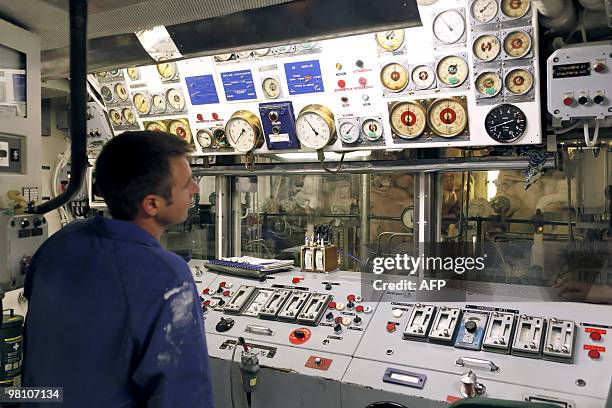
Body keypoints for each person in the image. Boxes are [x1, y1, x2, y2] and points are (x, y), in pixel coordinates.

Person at [23, 131, 214, 407]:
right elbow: (182, 395)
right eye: (187, 184)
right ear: (152, 204)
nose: (195, 189)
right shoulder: (167, 277)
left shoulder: (59, 244)